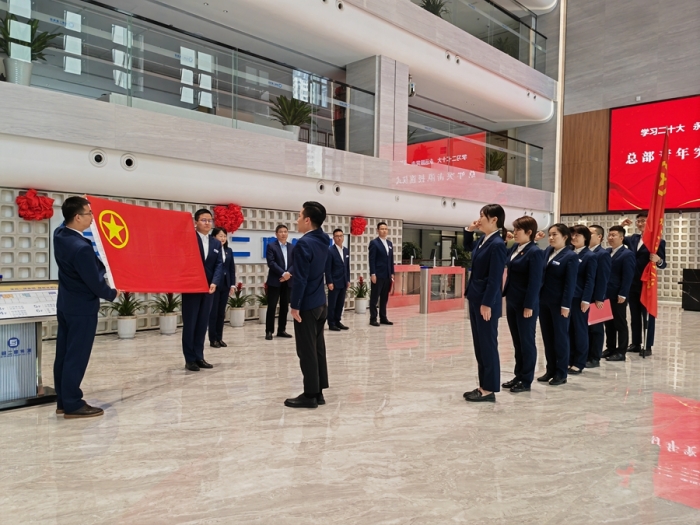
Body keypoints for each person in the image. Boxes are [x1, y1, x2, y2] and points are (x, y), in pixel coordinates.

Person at [54, 196, 120, 419]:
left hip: (66, 304)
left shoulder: (60, 234)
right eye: (89, 213)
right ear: (77, 217)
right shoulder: (81, 248)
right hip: (82, 309)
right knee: (77, 356)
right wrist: (112, 293)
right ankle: (73, 404)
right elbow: (94, 282)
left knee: (64, 354)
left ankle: (63, 401)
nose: (93, 217)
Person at [285, 202, 330, 409]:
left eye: (299, 216)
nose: (297, 220)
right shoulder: (323, 239)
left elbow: (300, 279)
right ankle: (319, 391)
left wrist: (295, 305)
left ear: (307, 220)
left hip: (307, 305)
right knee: (318, 348)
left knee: (306, 350)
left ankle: (310, 394)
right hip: (320, 302)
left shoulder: (304, 244)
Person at [462, 204, 507, 402]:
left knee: (487, 344)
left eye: (482, 216)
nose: (479, 219)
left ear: (494, 219)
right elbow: (467, 247)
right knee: (480, 345)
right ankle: (483, 385)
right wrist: (469, 230)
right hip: (475, 297)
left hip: (486, 301)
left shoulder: (497, 244)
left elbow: (495, 278)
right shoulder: (483, 240)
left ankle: (489, 389)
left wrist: (487, 303)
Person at [502, 216, 543, 393]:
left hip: (525, 303)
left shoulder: (535, 252)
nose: (515, 232)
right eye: (515, 229)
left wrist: (529, 305)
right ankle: (518, 375)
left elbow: (535, 281)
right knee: (517, 342)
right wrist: (505, 241)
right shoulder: (515, 248)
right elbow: (504, 260)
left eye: (518, 230)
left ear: (529, 232)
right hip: (512, 300)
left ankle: (526, 379)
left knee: (526, 342)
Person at [538, 223, 579, 386]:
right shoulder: (547, 251)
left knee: (560, 338)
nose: (551, 237)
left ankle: (561, 372)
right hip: (544, 301)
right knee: (547, 337)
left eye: (555, 234)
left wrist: (566, 305)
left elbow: (570, 283)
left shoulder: (570, 256)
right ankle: (550, 369)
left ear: (565, 237)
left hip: (559, 303)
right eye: (550, 234)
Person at [182, 209, 223, 371]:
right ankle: (189, 359)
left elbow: (219, 264)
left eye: (209, 220)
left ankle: (199, 356)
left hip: (209, 289)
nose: (207, 223)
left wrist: (215, 282)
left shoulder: (215, 243)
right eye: (203, 220)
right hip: (192, 288)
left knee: (202, 324)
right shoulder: (189, 239)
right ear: (196, 222)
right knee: (190, 324)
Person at [621, 213, 667, 357]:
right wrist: (622, 226)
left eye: (643, 221)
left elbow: (663, 264)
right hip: (632, 283)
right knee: (634, 315)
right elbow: (619, 237)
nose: (640, 224)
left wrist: (658, 260)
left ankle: (647, 345)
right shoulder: (633, 239)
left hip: (647, 284)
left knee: (648, 316)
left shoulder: (657, 241)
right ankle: (635, 343)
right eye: (638, 221)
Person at [567, 225, 598, 375]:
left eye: (577, 235)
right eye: (572, 235)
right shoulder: (568, 253)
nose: (573, 238)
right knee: (568, 330)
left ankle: (579, 361)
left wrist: (586, 299)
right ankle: (570, 358)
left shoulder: (589, 256)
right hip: (566, 297)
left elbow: (590, 280)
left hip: (579, 298)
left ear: (585, 238)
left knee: (580, 330)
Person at [603, 225, 635, 362]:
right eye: (609, 235)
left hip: (618, 294)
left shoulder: (627, 254)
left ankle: (621, 351)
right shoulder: (606, 252)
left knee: (620, 323)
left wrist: (623, 293)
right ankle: (610, 348)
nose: (610, 238)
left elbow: (628, 276)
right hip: (605, 294)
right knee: (608, 323)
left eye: (614, 235)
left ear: (622, 238)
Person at [586, 225, 611, 368]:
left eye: (590, 233)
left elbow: (603, 278)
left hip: (596, 297)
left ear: (599, 237)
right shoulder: (584, 251)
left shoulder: (602, 254)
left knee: (595, 329)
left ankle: (594, 357)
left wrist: (599, 298)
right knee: (585, 328)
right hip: (585, 295)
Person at [265, 225, 294, 340]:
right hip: (275, 280)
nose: (283, 234)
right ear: (276, 234)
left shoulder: (292, 247)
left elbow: (295, 263)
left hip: (288, 281)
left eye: (285, 231)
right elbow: (271, 263)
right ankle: (269, 331)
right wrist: (283, 273)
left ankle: (281, 330)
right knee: (272, 306)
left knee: (284, 306)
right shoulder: (271, 246)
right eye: (281, 232)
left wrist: (288, 274)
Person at [208, 227, 236, 348]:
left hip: (225, 284)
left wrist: (232, 284)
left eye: (224, 236)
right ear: (214, 237)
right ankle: (212, 339)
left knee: (221, 313)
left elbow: (231, 269)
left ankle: (219, 338)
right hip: (214, 285)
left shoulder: (228, 250)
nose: (223, 238)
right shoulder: (211, 250)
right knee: (213, 313)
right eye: (220, 236)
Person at [368, 222, 395, 327]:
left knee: (384, 298)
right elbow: (372, 260)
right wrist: (373, 273)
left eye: (386, 229)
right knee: (375, 297)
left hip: (387, 275)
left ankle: (383, 317)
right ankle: (373, 318)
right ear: (377, 230)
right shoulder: (374, 243)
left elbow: (391, 260)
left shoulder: (389, 243)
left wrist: (392, 272)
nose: (384, 231)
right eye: (382, 229)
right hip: (378, 275)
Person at [325, 228, 350, 331]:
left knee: (340, 303)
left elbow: (347, 267)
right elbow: (328, 268)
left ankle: (337, 321)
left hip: (343, 281)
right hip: (334, 282)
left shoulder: (346, 250)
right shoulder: (330, 250)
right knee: (332, 304)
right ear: (333, 238)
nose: (339, 238)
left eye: (341, 236)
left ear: (343, 237)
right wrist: (329, 282)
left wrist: (348, 280)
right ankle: (331, 323)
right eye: (337, 236)